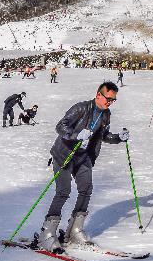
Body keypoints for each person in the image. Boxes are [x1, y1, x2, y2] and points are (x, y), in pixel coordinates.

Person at [35, 82, 130, 250]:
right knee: (63, 192)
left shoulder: (106, 114)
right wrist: (76, 135)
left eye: (113, 100)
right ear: (98, 95)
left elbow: (103, 135)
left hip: (83, 157)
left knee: (86, 189)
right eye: (108, 98)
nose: (110, 102)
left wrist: (118, 138)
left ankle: (74, 231)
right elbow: (60, 126)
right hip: (64, 155)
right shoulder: (81, 108)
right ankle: (47, 233)